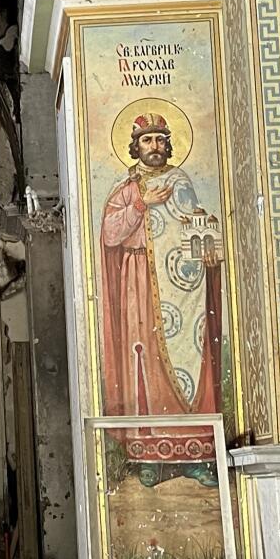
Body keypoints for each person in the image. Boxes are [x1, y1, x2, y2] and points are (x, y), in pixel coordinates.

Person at [98, 114, 207, 421]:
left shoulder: (180, 182)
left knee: (180, 351)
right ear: (136, 146)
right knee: (143, 349)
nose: (155, 145)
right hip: (138, 277)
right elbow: (109, 233)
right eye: (147, 139)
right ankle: (147, 442)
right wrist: (141, 203)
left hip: (180, 285)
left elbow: (194, 226)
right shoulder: (126, 187)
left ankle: (187, 432)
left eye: (160, 139)